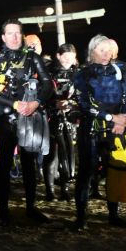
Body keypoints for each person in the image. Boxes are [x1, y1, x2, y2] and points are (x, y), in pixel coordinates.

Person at [0, 19, 53, 226]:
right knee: (4, 164)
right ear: (3, 37)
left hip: (30, 118)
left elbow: (48, 83)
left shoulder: (33, 58)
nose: (14, 37)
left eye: (17, 33)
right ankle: (3, 210)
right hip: (6, 119)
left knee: (29, 164)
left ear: (22, 36)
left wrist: (36, 102)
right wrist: (14, 104)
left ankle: (31, 208)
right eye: (10, 33)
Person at [71, 35, 126, 230]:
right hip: (92, 129)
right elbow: (85, 104)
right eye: (101, 50)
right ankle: (81, 217)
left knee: (114, 171)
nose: (106, 54)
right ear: (92, 51)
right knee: (86, 172)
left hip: (117, 129)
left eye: (108, 50)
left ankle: (114, 214)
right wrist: (111, 118)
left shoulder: (120, 72)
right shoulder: (83, 74)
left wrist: (124, 119)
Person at [45, 43, 80, 201]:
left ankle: (65, 189)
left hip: (70, 118)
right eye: (64, 57)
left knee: (68, 152)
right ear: (58, 56)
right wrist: (54, 104)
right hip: (51, 117)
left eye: (70, 58)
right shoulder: (48, 72)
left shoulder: (77, 73)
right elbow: (41, 95)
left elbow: (81, 96)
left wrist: (71, 105)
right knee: (51, 154)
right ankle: (50, 190)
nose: (67, 61)